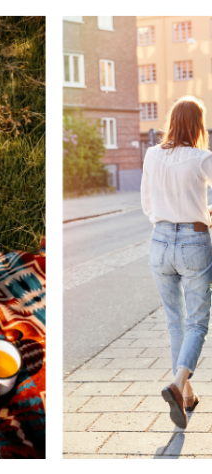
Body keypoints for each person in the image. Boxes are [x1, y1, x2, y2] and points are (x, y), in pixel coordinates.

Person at [141, 96, 212, 429]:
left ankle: (185, 396)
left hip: (158, 240)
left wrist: (166, 221)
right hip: (194, 242)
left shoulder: (152, 155)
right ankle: (176, 384)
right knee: (197, 322)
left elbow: (146, 202)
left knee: (175, 323)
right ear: (197, 125)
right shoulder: (202, 158)